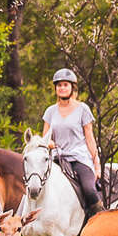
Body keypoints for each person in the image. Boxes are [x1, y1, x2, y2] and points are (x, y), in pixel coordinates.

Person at [42, 67, 102, 214]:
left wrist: (96, 164)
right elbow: (45, 137)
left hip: (78, 157)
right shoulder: (50, 111)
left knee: (88, 189)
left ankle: (100, 217)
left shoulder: (83, 109)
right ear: (55, 88)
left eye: (65, 85)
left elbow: (90, 138)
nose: (62, 88)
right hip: (57, 158)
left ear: (72, 88)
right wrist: (50, 143)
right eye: (59, 85)